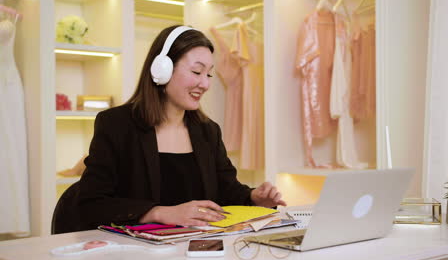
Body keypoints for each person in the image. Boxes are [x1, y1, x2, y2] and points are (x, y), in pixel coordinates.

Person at [57, 25, 286, 233]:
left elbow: (227, 192)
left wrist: (254, 198)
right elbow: (91, 203)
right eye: (197, 72)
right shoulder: (116, 124)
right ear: (162, 69)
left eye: (208, 74)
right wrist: (160, 212)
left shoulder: (208, 131)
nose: (205, 84)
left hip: (195, 252)